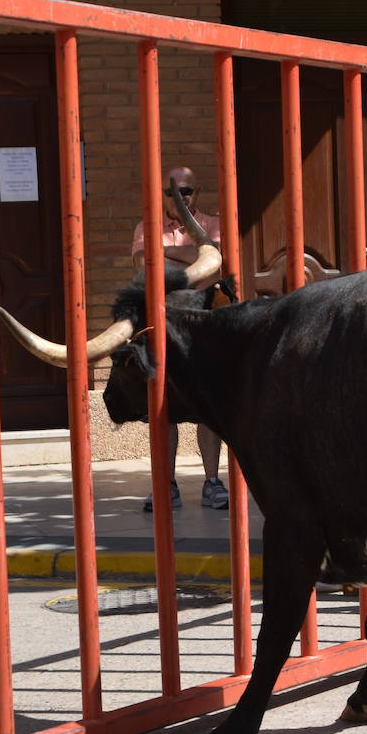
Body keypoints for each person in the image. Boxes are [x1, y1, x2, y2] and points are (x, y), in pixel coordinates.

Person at [131, 166, 230, 511]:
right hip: (165, 327)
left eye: (185, 191)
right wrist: (194, 255)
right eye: (170, 192)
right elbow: (146, 267)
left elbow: (216, 262)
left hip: (205, 327)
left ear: (196, 192)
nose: (179, 198)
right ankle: (166, 485)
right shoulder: (147, 227)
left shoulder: (213, 223)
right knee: (164, 411)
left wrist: (166, 254)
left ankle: (212, 482)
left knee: (208, 411)